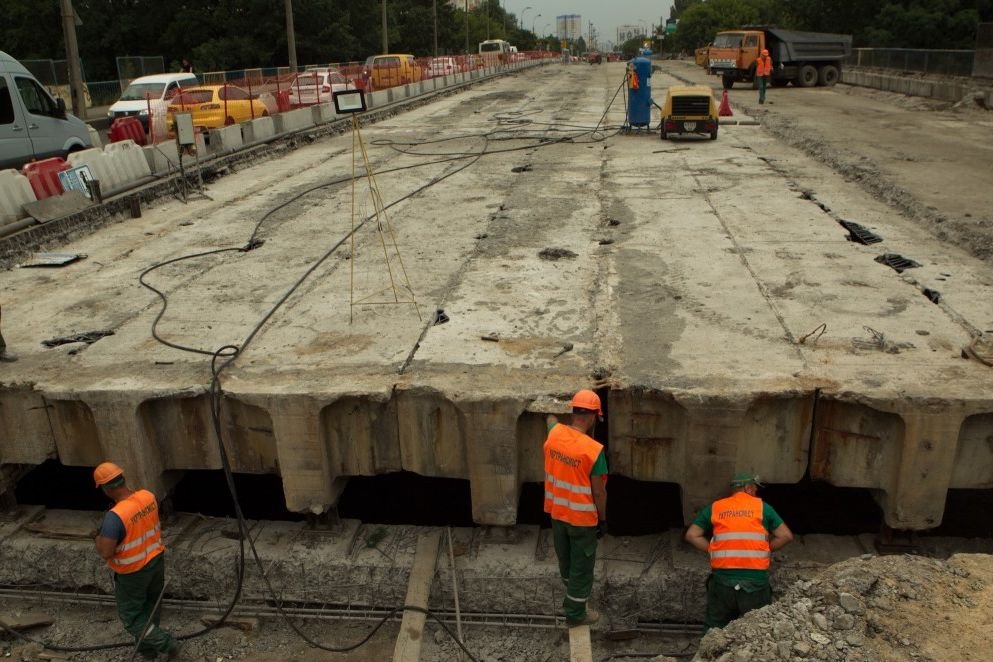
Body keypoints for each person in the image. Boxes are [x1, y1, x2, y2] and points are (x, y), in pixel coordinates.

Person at [93, 462, 181, 660]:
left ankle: (166, 644)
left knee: (132, 618)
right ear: (123, 479)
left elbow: (106, 551)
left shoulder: (115, 517)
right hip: (156, 561)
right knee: (150, 608)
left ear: (106, 489)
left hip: (133, 572)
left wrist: (98, 538)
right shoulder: (148, 496)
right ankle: (148, 651)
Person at [685, 472, 793, 631]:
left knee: (714, 630)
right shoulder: (763, 508)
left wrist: (713, 549)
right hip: (754, 585)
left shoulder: (716, 507)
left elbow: (691, 535)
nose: (756, 493)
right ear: (748, 488)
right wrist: (764, 549)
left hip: (722, 584)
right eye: (755, 489)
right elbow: (785, 536)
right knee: (758, 631)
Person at [543, 389, 608, 627]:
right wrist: (602, 520)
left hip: (558, 514)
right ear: (592, 417)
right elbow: (599, 492)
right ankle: (575, 614)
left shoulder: (554, 433)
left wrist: (549, 404)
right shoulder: (593, 451)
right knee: (582, 569)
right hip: (582, 520)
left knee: (567, 563)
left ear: (573, 412)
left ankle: (573, 599)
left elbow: (550, 419)